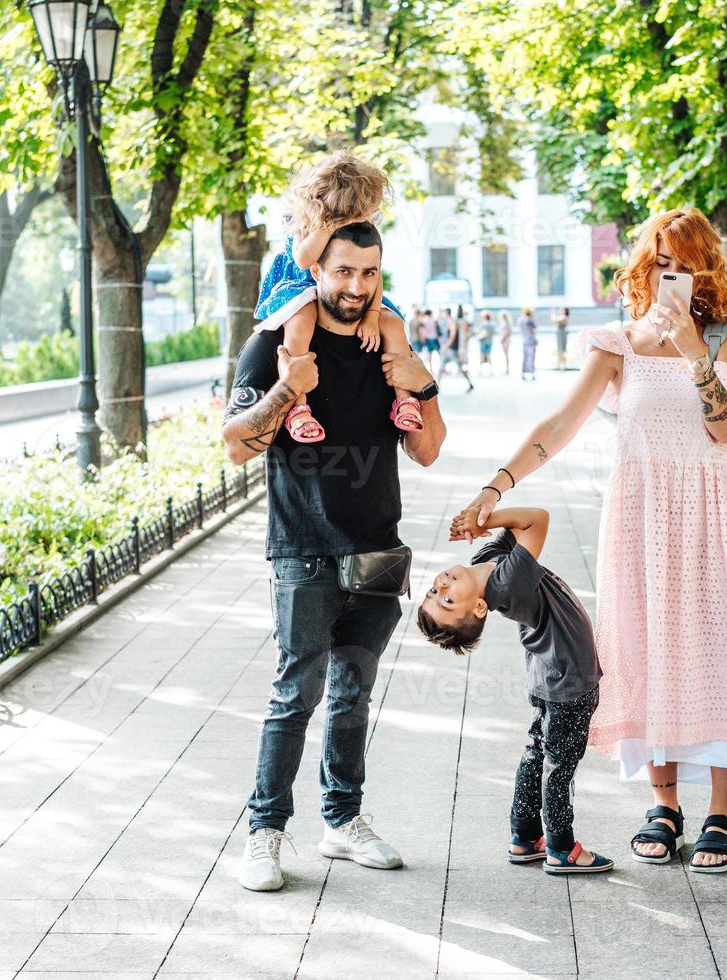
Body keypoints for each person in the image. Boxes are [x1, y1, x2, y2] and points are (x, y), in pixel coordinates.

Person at [451, 207, 727, 874]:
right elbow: (559, 424)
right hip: (642, 520)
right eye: (662, 262)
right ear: (643, 265)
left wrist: (693, 350)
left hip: (717, 516)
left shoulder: (724, 336)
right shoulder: (617, 343)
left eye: (685, 265)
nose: (672, 276)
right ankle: (663, 805)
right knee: (648, 649)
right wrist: (496, 487)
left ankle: (723, 814)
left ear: (705, 270)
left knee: (723, 651)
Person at [224, 220, 448, 892]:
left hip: (377, 547)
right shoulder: (273, 343)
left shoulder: (390, 343)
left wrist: (424, 385)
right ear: (316, 267)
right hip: (304, 550)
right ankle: (263, 834)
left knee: (352, 697)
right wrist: (289, 388)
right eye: (344, 271)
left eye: (370, 273)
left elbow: (429, 449)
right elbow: (236, 444)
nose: (356, 287)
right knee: (296, 693)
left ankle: (341, 821)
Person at [417, 507, 611, 874]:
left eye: (434, 590)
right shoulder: (505, 582)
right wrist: (484, 520)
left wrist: (480, 516)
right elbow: (537, 518)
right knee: (560, 766)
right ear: (478, 608)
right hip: (569, 679)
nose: (441, 586)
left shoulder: (486, 562)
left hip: (548, 674)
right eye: (446, 600)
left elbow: (515, 528)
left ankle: (524, 837)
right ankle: (561, 847)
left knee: (538, 753)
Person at [253, 152, 421, 443]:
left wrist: (371, 316)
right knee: (301, 321)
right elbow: (305, 260)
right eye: (351, 213)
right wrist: (327, 227)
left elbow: (375, 272)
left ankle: (404, 400)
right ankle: (299, 405)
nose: (357, 218)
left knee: (392, 323)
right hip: (304, 283)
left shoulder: (362, 225)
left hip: (345, 283)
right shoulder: (308, 222)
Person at [439, 304, 475, 393]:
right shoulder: (448, 322)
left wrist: (445, 347)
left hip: (452, 350)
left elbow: (452, 336)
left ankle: (470, 383)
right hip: (449, 349)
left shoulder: (452, 322)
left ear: (447, 313)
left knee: (459, 368)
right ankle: (436, 387)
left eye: (442, 313)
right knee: (441, 368)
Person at [518, 307, 538, 381]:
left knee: (525, 357)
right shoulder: (529, 320)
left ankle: (523, 373)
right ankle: (532, 373)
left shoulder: (521, 320)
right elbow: (534, 328)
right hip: (531, 341)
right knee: (531, 357)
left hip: (525, 340)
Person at [554, 307, 571, 371]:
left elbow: (555, 319)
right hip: (560, 333)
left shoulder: (563, 316)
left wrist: (553, 314)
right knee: (559, 350)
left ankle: (563, 365)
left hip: (561, 334)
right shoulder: (562, 316)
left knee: (561, 350)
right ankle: (559, 365)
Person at [498, 311, 514, 376]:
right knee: (506, 355)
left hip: (505, 340)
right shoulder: (507, 323)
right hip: (506, 339)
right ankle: (507, 369)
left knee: (506, 355)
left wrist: (502, 339)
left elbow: (506, 332)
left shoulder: (505, 323)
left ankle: (507, 369)